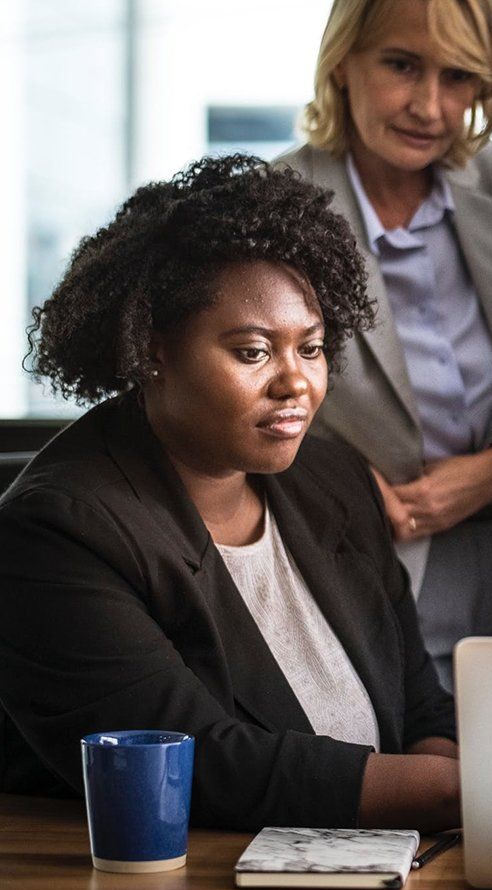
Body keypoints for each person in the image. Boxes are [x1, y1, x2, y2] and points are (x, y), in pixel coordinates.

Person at [0, 155, 460, 833]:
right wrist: (449, 794)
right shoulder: (59, 531)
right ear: (152, 350)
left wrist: (452, 804)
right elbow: (201, 768)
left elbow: (419, 705)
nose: (294, 383)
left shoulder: (333, 482)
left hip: (385, 871)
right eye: (253, 352)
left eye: (311, 348)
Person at [277, 0, 492, 688]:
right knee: (425, 787)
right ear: (344, 61)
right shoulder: (281, 199)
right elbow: (240, 406)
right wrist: (349, 488)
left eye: (459, 76)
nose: (430, 106)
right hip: (370, 565)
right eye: (402, 65)